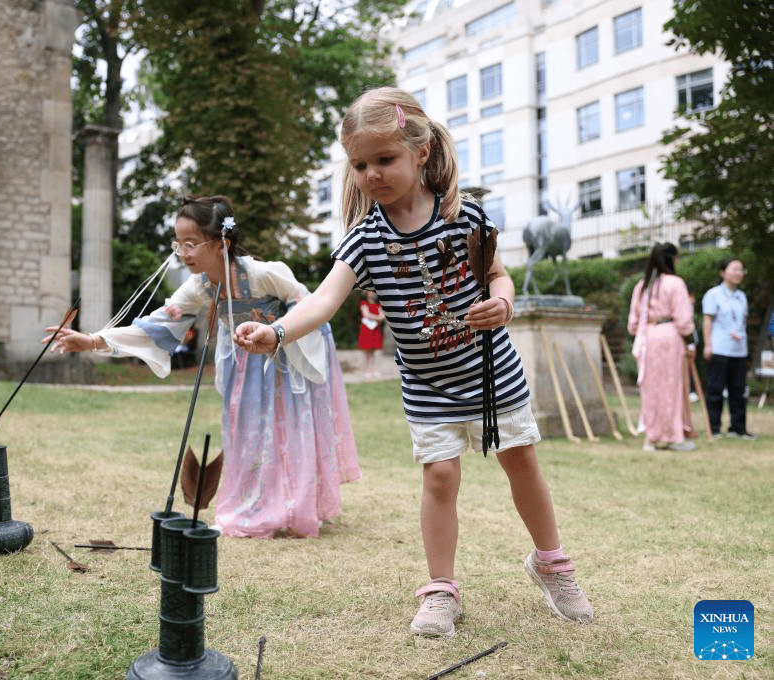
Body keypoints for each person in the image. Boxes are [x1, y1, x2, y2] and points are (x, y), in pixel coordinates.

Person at [234, 87, 592, 637]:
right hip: (428, 384)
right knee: (440, 477)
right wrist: (276, 331)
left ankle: (551, 561)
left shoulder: (463, 213)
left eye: (385, 159)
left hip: (492, 373)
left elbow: (497, 274)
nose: (372, 174)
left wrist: (504, 301)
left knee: (522, 464)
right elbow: (325, 301)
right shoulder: (364, 240)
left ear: (420, 152)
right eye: (360, 164)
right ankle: (441, 589)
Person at [45, 195, 361, 539]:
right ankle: (255, 506)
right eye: (178, 243)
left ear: (221, 242)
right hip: (242, 369)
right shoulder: (198, 287)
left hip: (285, 364)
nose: (183, 252)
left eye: (191, 243)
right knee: (249, 436)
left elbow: (309, 304)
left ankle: (297, 506)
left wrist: (275, 331)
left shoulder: (264, 274)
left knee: (287, 431)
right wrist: (93, 341)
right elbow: (157, 324)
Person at [627, 243, 696, 451]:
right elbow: (684, 320)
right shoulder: (675, 283)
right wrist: (690, 339)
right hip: (669, 335)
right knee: (672, 386)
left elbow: (632, 324)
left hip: (646, 337)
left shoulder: (642, 286)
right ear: (672, 259)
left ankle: (651, 436)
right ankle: (674, 436)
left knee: (650, 388)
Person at [701, 258, 755, 439]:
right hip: (720, 348)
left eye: (741, 270)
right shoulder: (713, 294)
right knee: (715, 389)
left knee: (738, 390)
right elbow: (707, 320)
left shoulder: (742, 296)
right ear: (723, 272)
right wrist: (708, 345)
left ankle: (738, 428)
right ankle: (714, 428)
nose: (739, 273)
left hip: (739, 349)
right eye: (734, 269)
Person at [357, 289, 385, 376]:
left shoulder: (378, 304)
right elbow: (366, 314)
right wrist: (377, 317)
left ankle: (373, 370)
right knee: (366, 351)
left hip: (376, 329)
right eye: (370, 292)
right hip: (367, 329)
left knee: (373, 351)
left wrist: (373, 317)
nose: (372, 294)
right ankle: (366, 370)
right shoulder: (364, 303)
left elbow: (382, 316)